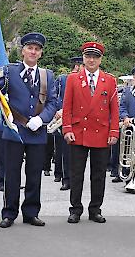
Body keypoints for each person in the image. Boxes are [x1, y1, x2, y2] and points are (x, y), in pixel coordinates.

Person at [0, 33, 58, 228]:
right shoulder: (8, 71)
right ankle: (9, 212)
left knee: (34, 175)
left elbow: (52, 102)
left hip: (37, 133)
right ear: (22, 50)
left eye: (37, 49)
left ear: (40, 53)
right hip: (14, 131)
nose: (33, 52)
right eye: (30, 48)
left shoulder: (47, 75)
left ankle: (31, 212)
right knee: (12, 174)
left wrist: (41, 119)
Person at [62, 41, 119, 224]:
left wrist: (114, 132)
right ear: (83, 58)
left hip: (101, 133)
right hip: (79, 132)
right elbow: (67, 106)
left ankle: (95, 209)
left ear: (100, 59)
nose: (91, 60)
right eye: (88, 56)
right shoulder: (72, 79)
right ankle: (75, 209)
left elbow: (114, 110)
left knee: (99, 175)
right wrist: (67, 129)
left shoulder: (109, 80)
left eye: (95, 57)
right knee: (76, 174)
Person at [51, 56, 82, 190]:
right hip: (65, 118)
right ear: (77, 66)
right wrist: (59, 110)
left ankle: (75, 178)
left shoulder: (86, 80)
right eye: (82, 65)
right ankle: (66, 178)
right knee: (65, 150)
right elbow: (56, 96)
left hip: (80, 119)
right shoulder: (63, 79)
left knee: (79, 153)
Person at [113, 64, 135, 183]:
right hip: (129, 126)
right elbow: (121, 107)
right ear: (134, 77)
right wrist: (125, 117)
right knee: (127, 150)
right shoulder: (127, 92)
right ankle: (126, 173)